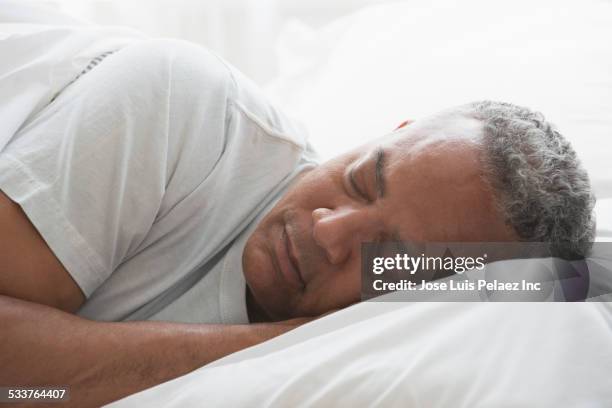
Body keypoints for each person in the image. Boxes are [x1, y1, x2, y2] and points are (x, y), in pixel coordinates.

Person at [0, 39, 595, 406]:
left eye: (384, 254)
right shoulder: (188, 106)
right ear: (391, 132)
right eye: (361, 180)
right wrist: (287, 340)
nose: (329, 230)